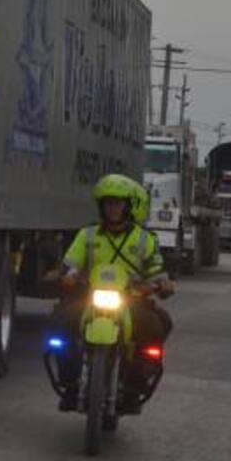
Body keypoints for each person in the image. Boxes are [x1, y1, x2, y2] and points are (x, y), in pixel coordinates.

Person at [52, 174, 174, 413]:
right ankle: (70, 386)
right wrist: (65, 276)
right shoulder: (87, 235)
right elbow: (70, 266)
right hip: (90, 297)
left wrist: (163, 285)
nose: (113, 209)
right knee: (59, 325)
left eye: (118, 203)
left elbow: (158, 272)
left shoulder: (144, 239)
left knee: (157, 327)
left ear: (129, 206)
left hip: (132, 300)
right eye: (108, 203)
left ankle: (134, 389)